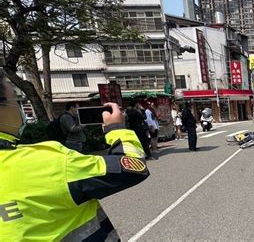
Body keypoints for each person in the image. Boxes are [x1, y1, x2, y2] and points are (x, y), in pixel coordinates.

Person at [0, 70, 149, 240]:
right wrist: (116, 128)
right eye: (16, 100)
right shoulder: (48, 161)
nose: (20, 107)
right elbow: (134, 167)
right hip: (73, 147)